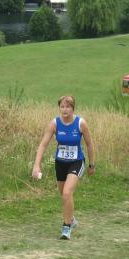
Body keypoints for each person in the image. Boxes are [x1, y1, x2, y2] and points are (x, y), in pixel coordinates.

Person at [32, 95, 96, 240]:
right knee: (64, 195)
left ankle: (66, 227)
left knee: (67, 193)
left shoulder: (81, 123)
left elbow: (89, 144)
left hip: (76, 162)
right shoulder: (54, 123)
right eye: (62, 106)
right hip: (60, 162)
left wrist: (92, 164)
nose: (65, 109)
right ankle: (71, 219)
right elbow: (43, 144)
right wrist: (36, 165)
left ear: (73, 108)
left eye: (68, 106)